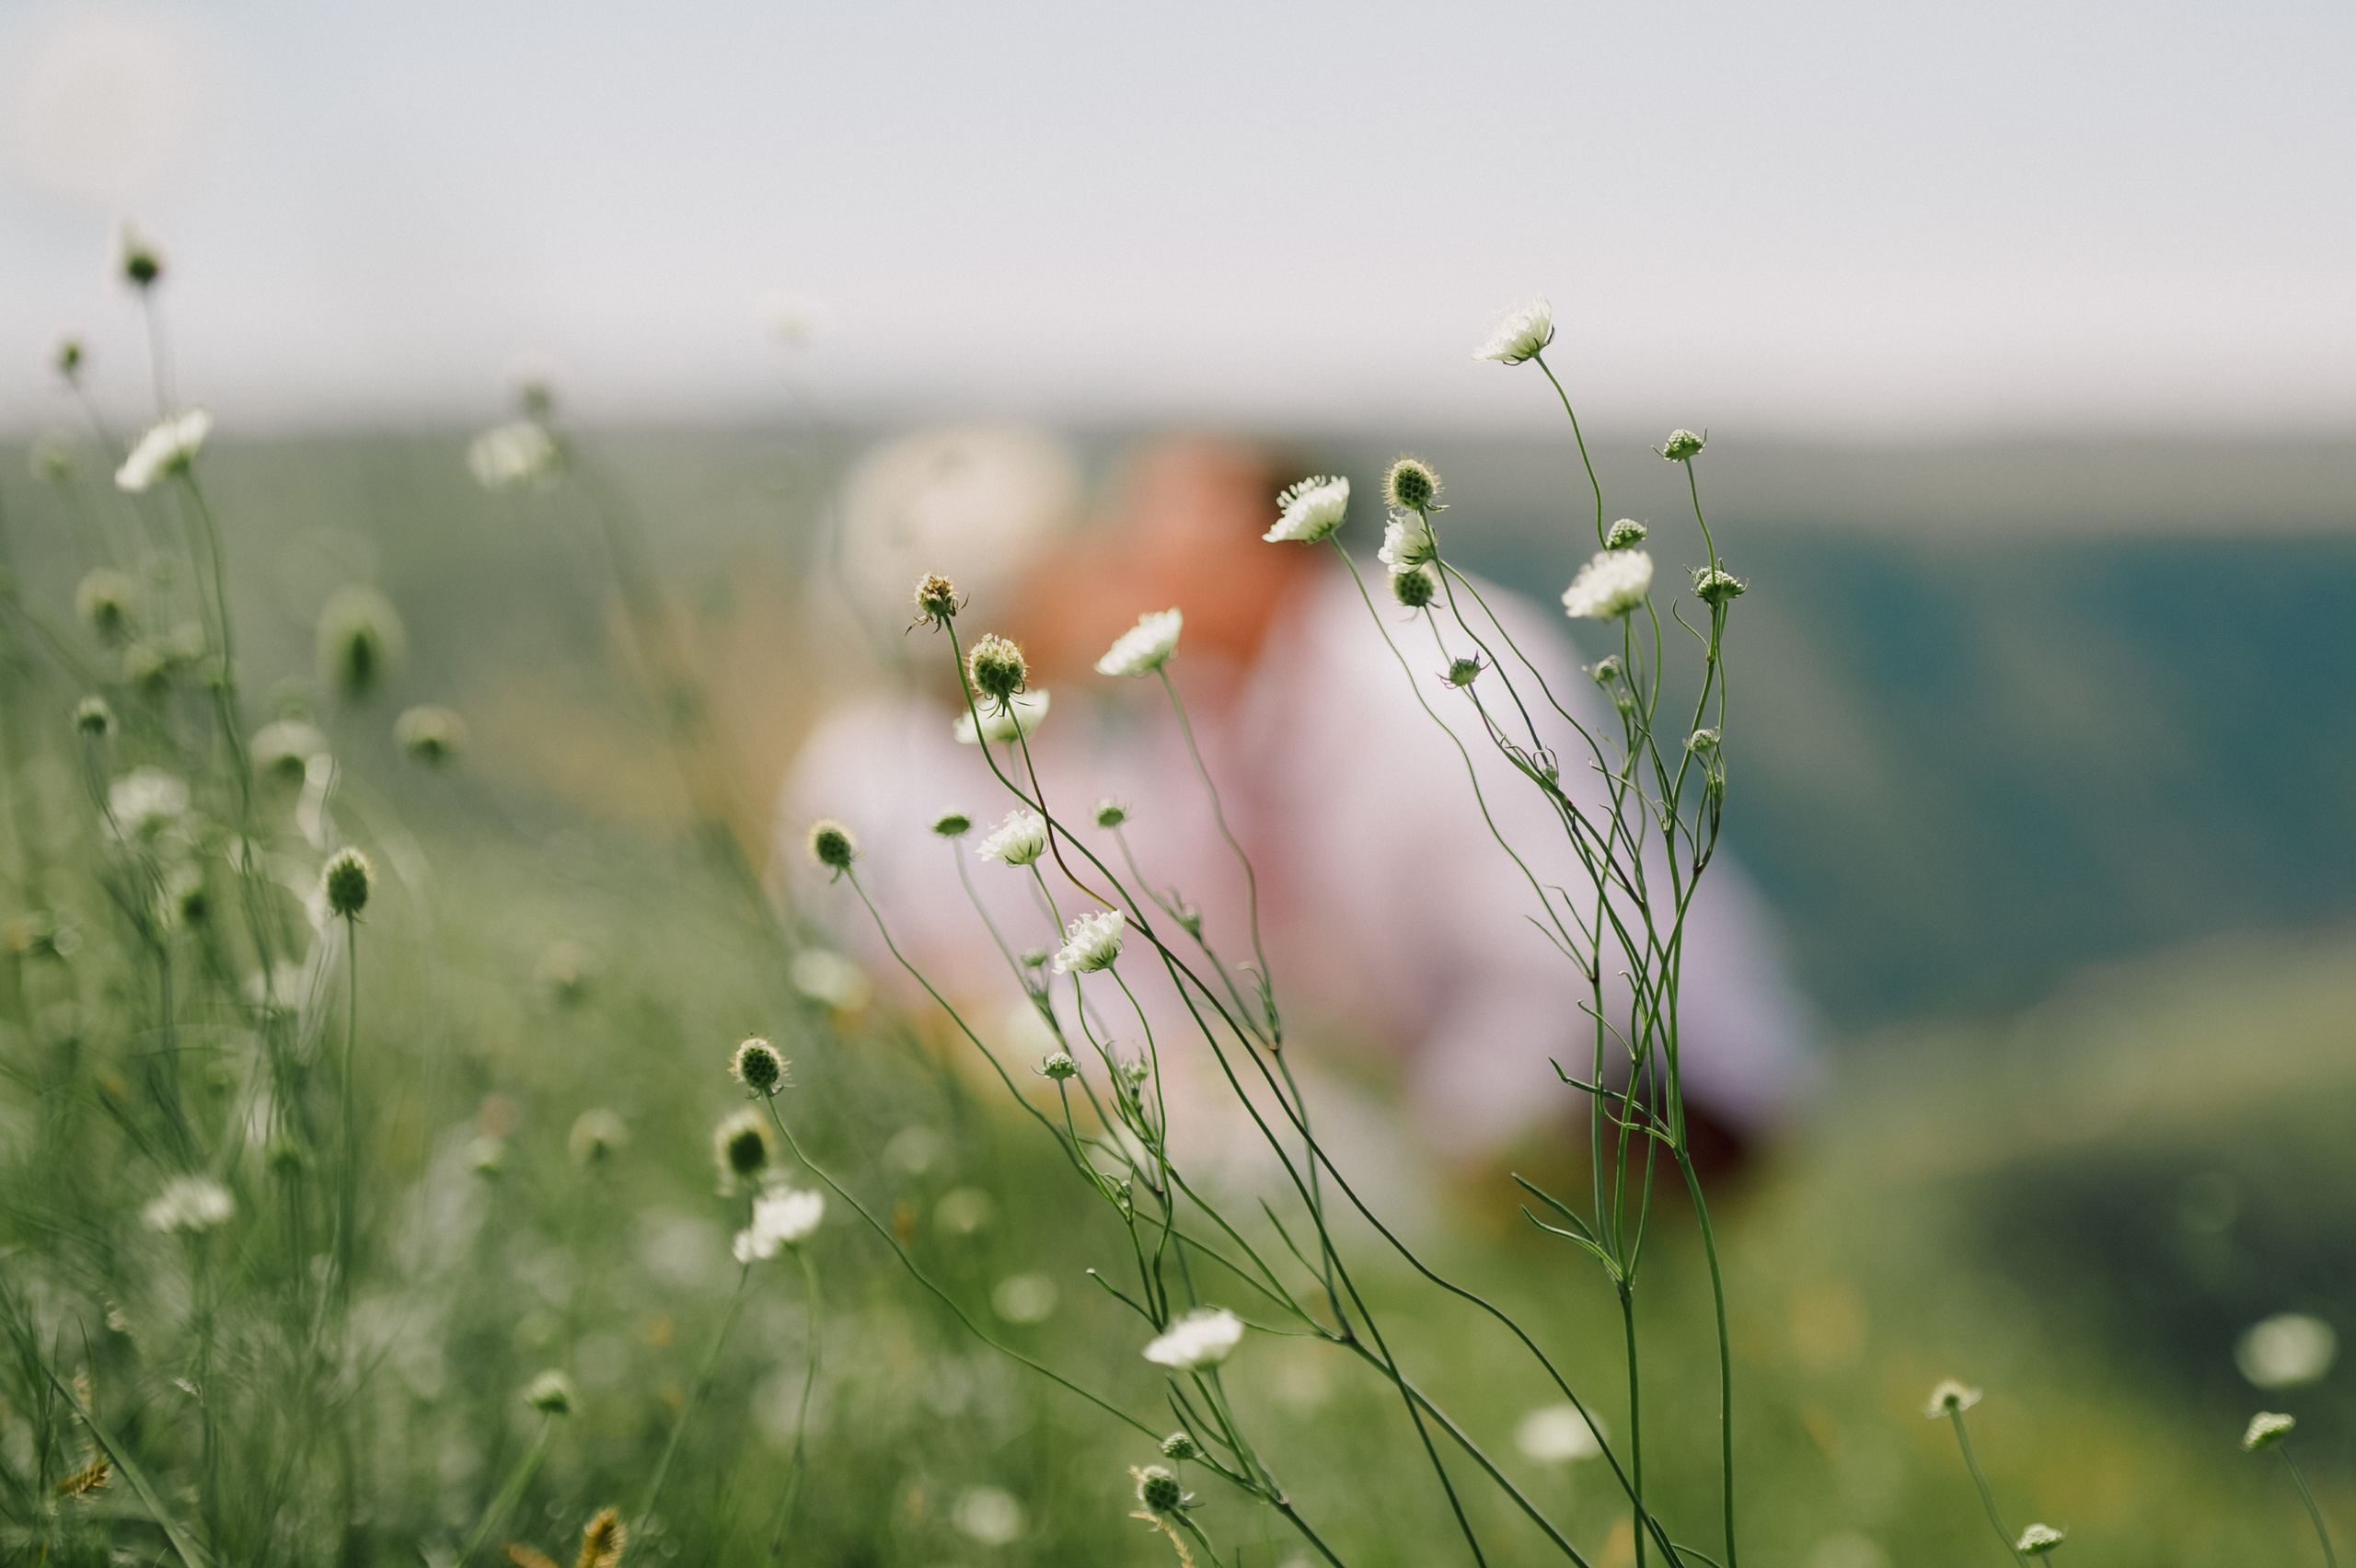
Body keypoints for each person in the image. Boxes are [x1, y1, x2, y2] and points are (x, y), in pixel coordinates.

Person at [783, 433, 1813, 1173]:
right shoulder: (1200, 715)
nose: (1120, 557)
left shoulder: (1432, 689)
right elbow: (1191, 936)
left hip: (1656, 1098)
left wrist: (1440, 1173)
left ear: (1263, 539)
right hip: (1442, 1087)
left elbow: (1564, 977)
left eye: (1155, 523)